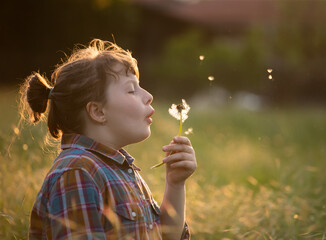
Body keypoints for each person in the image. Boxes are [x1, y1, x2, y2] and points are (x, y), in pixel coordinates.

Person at [20, 39, 197, 239]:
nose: (148, 96)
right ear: (97, 111)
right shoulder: (77, 172)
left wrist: (175, 184)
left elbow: (165, 237)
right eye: (132, 90)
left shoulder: (117, 168)